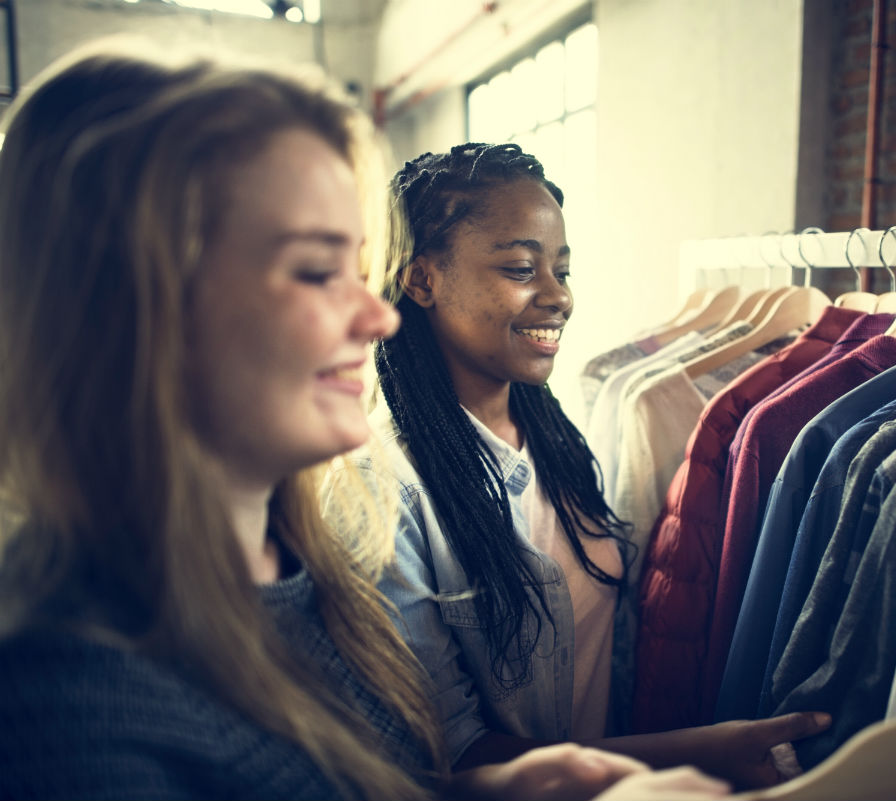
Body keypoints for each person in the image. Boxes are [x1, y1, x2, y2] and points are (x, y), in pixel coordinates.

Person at [0, 39, 733, 801]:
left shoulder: (297, 563)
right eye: (319, 273)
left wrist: (498, 791)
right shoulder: (59, 700)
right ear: (138, 302)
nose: (377, 315)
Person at [324, 142, 831, 790]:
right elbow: (441, 754)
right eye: (519, 268)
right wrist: (694, 752)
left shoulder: (554, 438)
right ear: (422, 279)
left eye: (562, 270)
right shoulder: (384, 488)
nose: (557, 296)